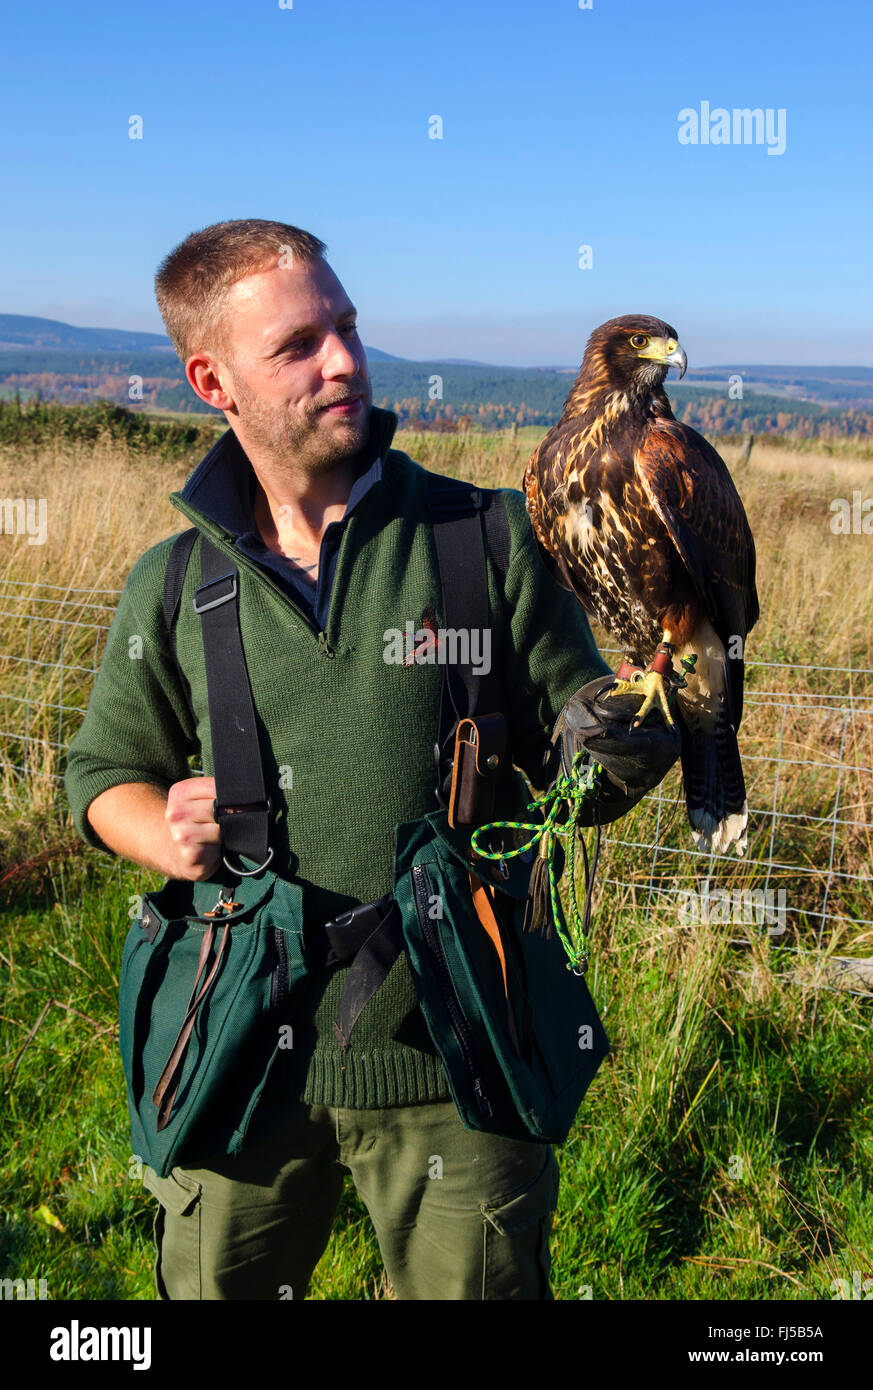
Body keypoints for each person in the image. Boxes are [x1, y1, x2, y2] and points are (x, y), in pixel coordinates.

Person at [64, 219, 673, 1301]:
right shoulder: (173, 581)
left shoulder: (485, 537)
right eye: (299, 345)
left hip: (460, 1044)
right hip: (241, 1047)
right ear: (213, 380)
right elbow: (103, 772)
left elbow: (586, 753)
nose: (345, 359)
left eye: (346, 326)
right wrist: (162, 829)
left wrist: (632, 731)